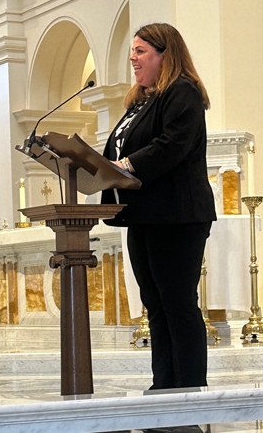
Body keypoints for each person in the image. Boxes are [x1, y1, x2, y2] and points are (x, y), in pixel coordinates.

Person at [101, 23, 216, 390]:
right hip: (145, 214)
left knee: (177, 302)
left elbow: (173, 144)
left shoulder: (183, 92)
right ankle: (163, 386)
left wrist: (128, 165)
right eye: (133, 52)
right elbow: (117, 150)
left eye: (140, 51)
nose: (132, 59)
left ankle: (190, 389)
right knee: (155, 303)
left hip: (177, 215)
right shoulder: (141, 101)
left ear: (165, 55)